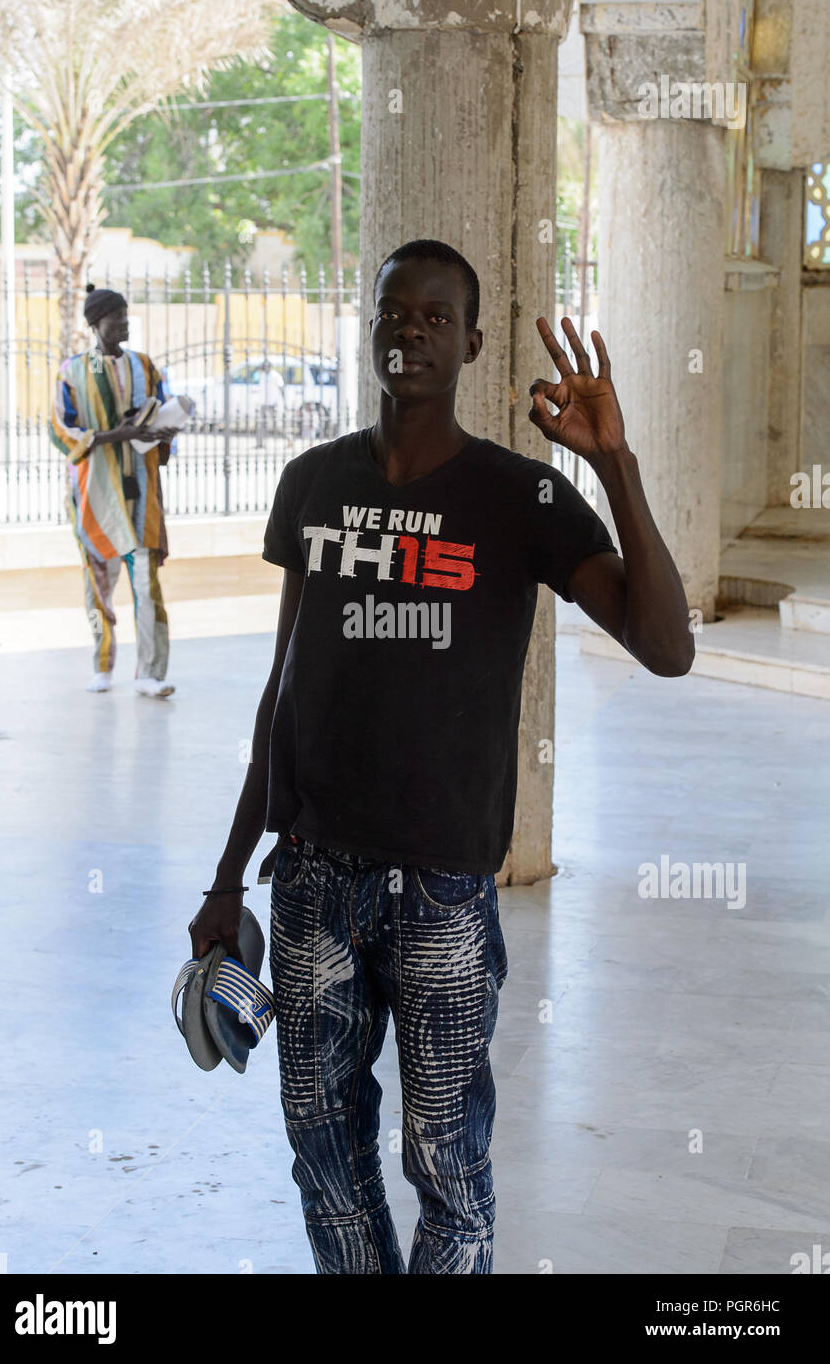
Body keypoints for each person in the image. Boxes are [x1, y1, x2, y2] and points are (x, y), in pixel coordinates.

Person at [189, 239, 695, 1274]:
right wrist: (226, 873)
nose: (408, 330)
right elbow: (281, 691)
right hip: (315, 875)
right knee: (322, 1149)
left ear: (468, 341)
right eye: (392, 311)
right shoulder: (312, 485)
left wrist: (611, 464)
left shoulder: (522, 498)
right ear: (368, 325)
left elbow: (667, 647)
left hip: (441, 889)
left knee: (445, 1162)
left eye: (433, 316)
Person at [49, 284, 179, 696]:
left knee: (146, 585)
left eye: (126, 316)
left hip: (142, 493)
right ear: (95, 324)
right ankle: (102, 664)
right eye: (115, 318)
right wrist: (111, 436)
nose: (124, 323)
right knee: (99, 584)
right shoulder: (72, 371)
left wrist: (165, 433)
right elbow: (60, 428)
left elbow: (162, 407)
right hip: (96, 497)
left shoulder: (144, 365)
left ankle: (151, 673)